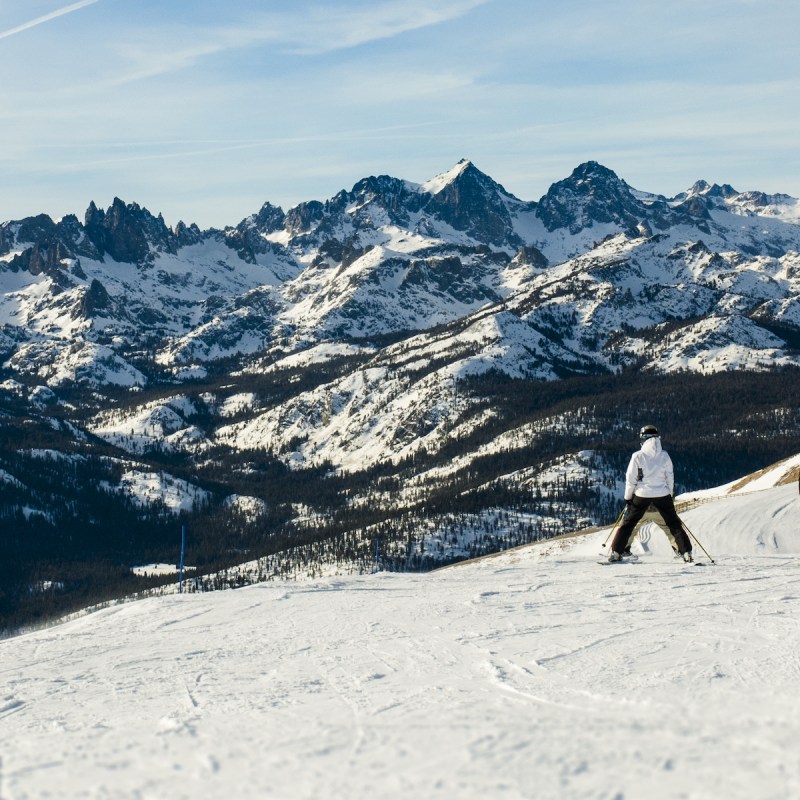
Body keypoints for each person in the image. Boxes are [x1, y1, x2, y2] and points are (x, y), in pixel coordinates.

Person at [609, 424, 692, 562]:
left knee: (628, 524)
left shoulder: (637, 456)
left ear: (643, 438)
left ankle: (617, 553)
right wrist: (670, 495)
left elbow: (630, 479)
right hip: (662, 495)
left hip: (642, 495)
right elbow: (670, 477)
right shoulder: (665, 456)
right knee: (673, 524)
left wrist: (628, 498)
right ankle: (686, 553)